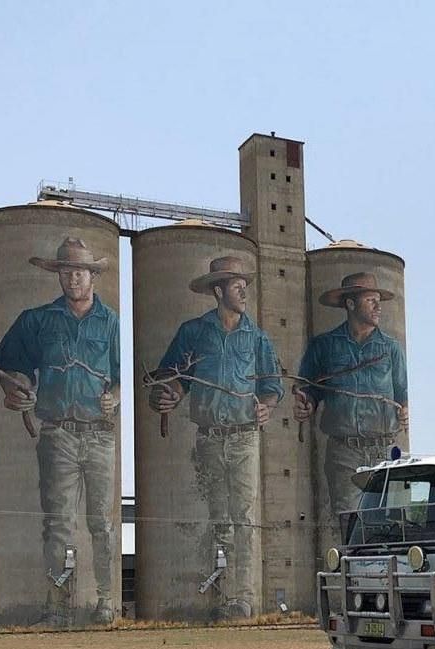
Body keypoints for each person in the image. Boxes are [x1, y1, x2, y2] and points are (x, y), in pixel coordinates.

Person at [0, 237, 120, 626]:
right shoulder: (37, 321)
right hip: (57, 435)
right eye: (65, 272)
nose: (72, 279)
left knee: (101, 522)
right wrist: (15, 390)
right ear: (58, 275)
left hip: (100, 435)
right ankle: (57, 607)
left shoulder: (113, 322)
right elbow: (10, 366)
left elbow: (120, 376)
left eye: (79, 271)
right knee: (58, 523)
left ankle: (107, 604)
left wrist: (114, 397)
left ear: (94, 275)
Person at [149, 256, 282, 620]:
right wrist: (171, 391)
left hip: (244, 439)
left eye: (245, 283)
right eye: (236, 283)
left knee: (244, 519)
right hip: (208, 439)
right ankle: (225, 600)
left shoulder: (258, 338)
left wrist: (266, 406)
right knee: (219, 520)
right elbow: (170, 375)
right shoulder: (193, 332)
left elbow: (272, 386)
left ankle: (245, 598)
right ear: (219, 290)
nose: (243, 289)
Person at [294, 271, 408, 518]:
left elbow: (402, 394)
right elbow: (309, 388)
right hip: (345, 452)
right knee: (350, 524)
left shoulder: (391, 349)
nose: (378, 307)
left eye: (379, 300)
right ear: (350, 303)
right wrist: (307, 403)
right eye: (370, 300)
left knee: (393, 523)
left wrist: (405, 411)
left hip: (386, 450)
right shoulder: (324, 346)